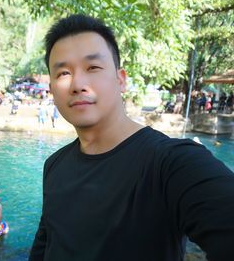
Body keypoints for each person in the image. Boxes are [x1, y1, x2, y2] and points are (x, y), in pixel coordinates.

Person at [29, 14, 234, 261]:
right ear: (51, 90)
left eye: (93, 67)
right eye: (63, 73)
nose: (78, 83)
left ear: (121, 80)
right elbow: (44, 247)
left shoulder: (172, 163)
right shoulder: (54, 166)